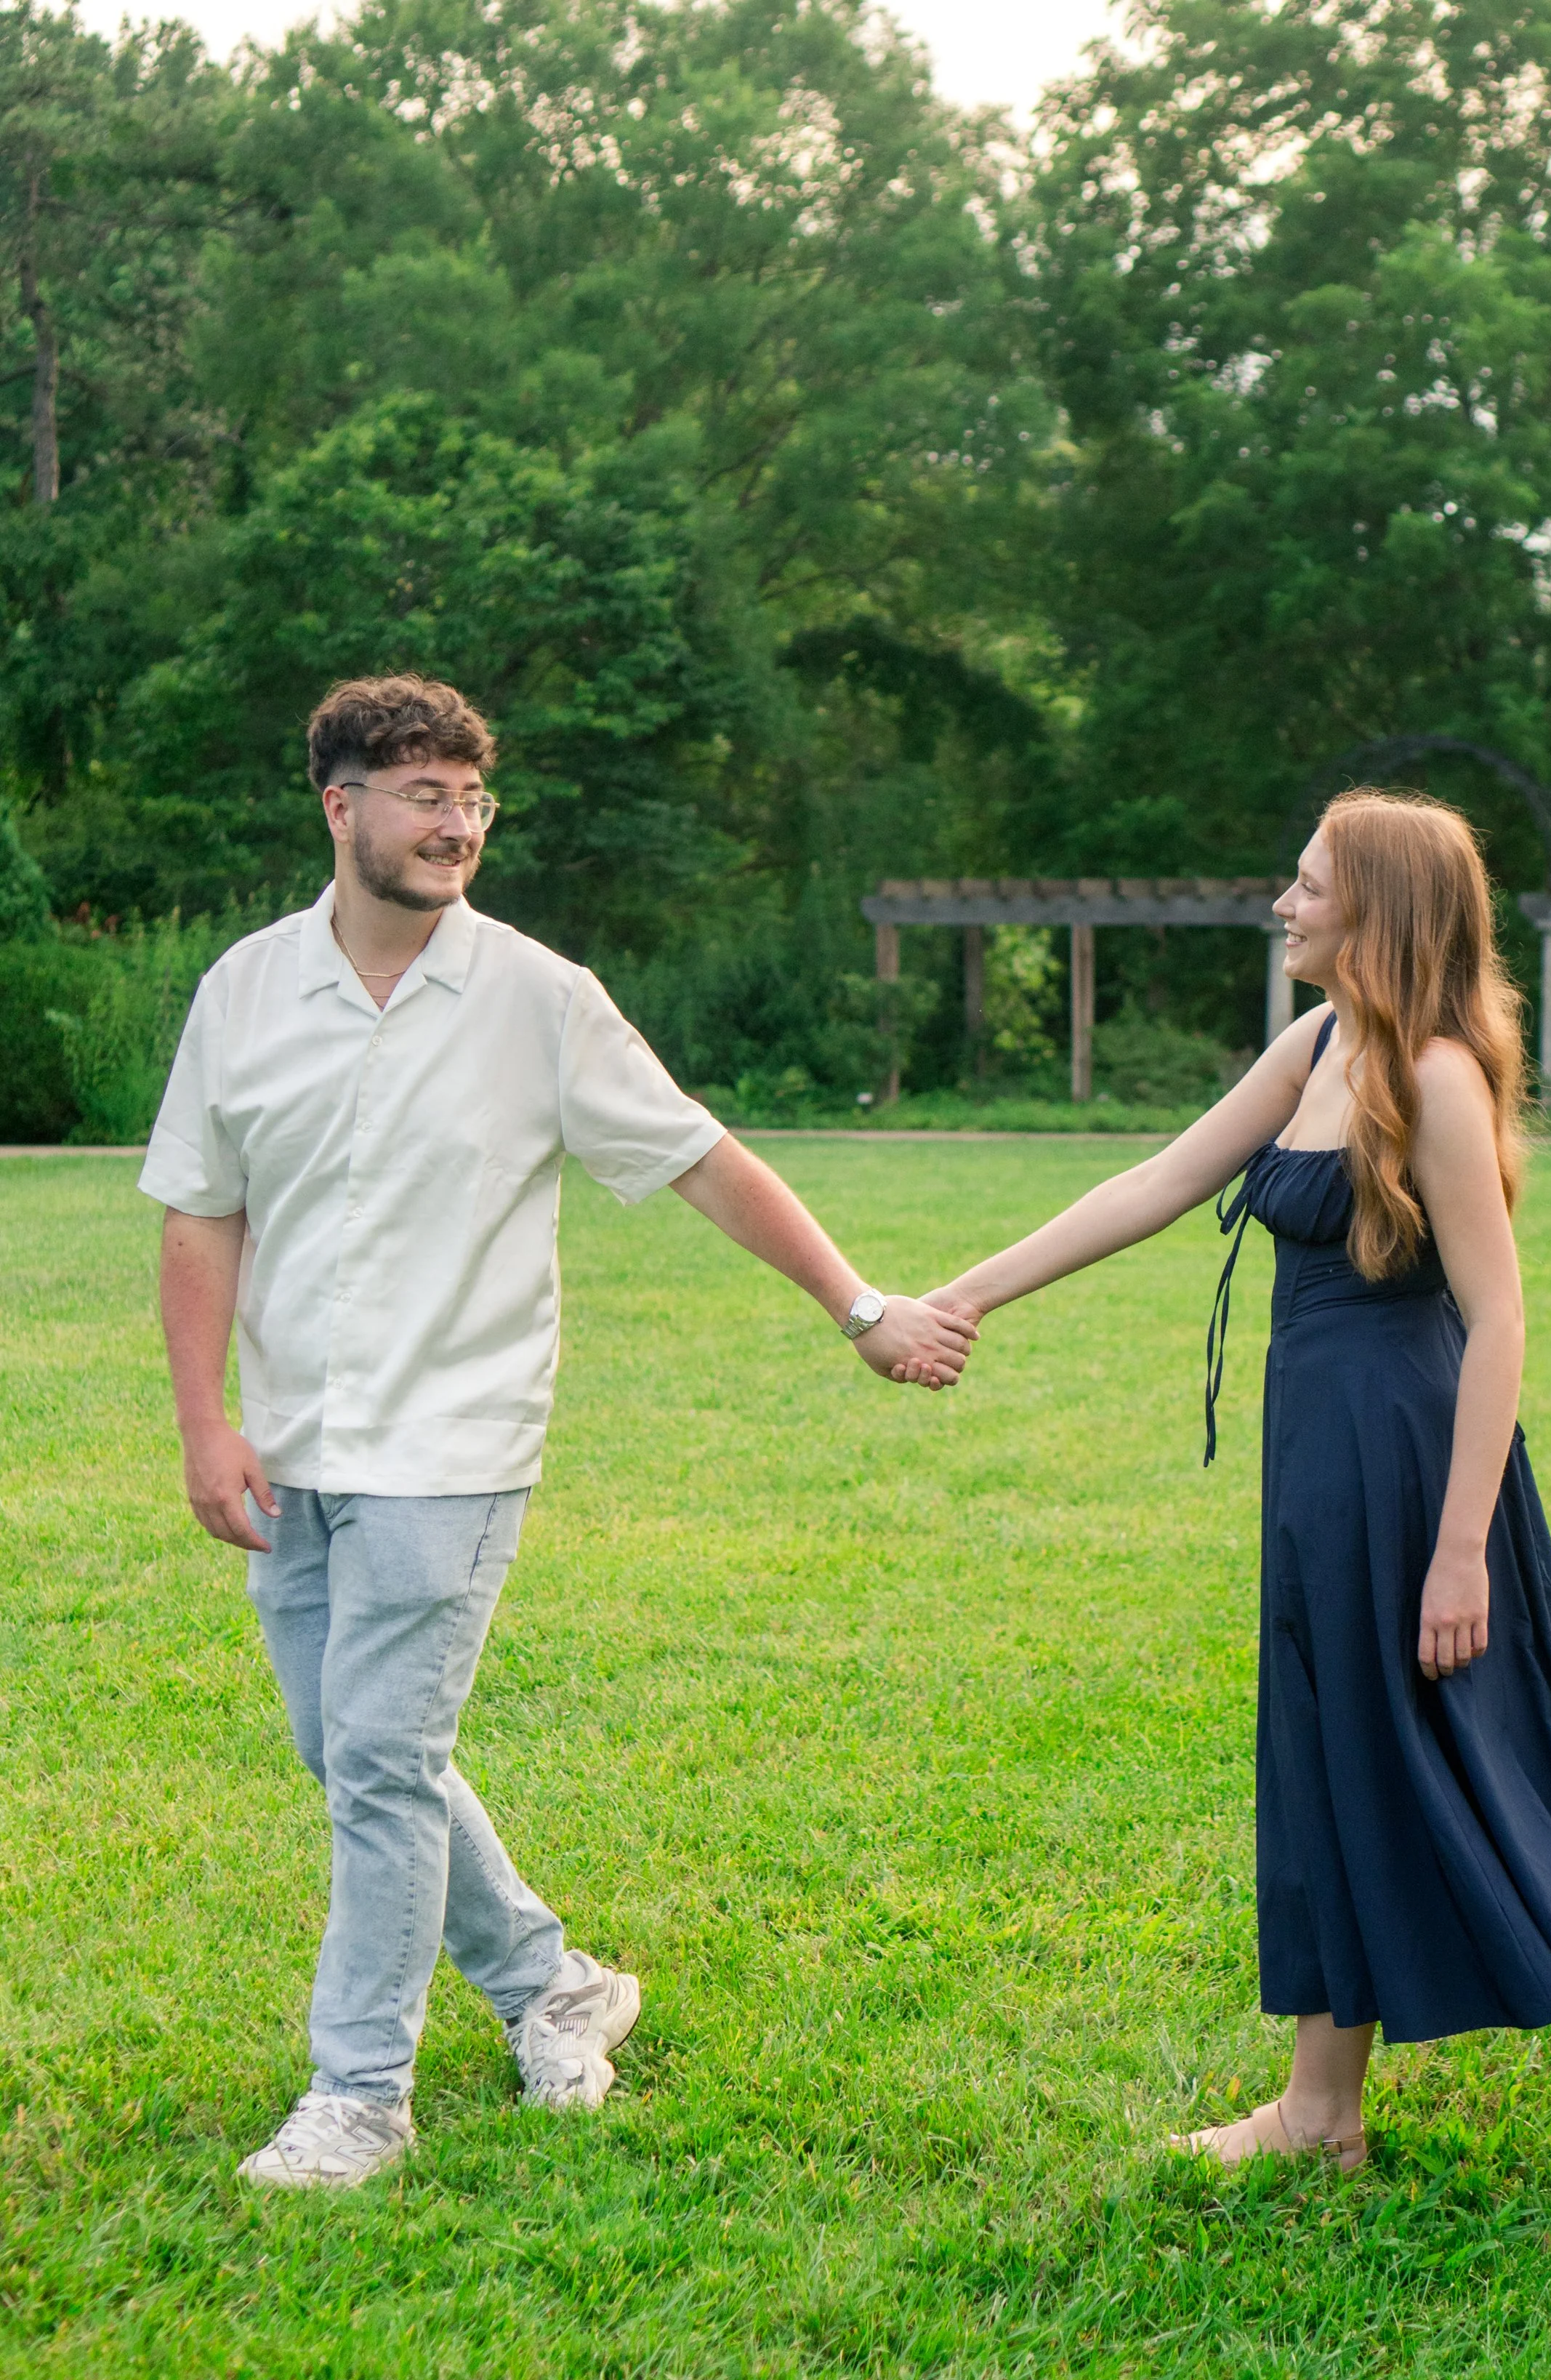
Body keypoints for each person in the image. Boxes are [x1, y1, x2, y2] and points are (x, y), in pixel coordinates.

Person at [142, 672, 975, 2192]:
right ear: (342, 809)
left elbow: (701, 1160)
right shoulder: (244, 993)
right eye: (424, 796)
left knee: (383, 1759)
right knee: (352, 1754)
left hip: (453, 1443)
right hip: (294, 1444)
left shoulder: (537, 996)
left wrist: (856, 1305)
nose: (458, 824)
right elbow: (203, 1219)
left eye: (473, 797)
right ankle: (552, 1985)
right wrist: (205, 1424)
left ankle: (360, 2098)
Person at [927, 790, 1551, 2213]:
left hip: (1408, 1458)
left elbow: (1495, 1319)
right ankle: (1321, 2108)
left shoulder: (1432, 1076)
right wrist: (962, 1297)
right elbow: (1156, 1181)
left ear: (1375, 910)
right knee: (1341, 1744)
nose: (1283, 901)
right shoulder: (1319, 1044)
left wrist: (1459, 1554)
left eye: (1309, 884)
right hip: (1322, 1452)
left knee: (1426, 1751)